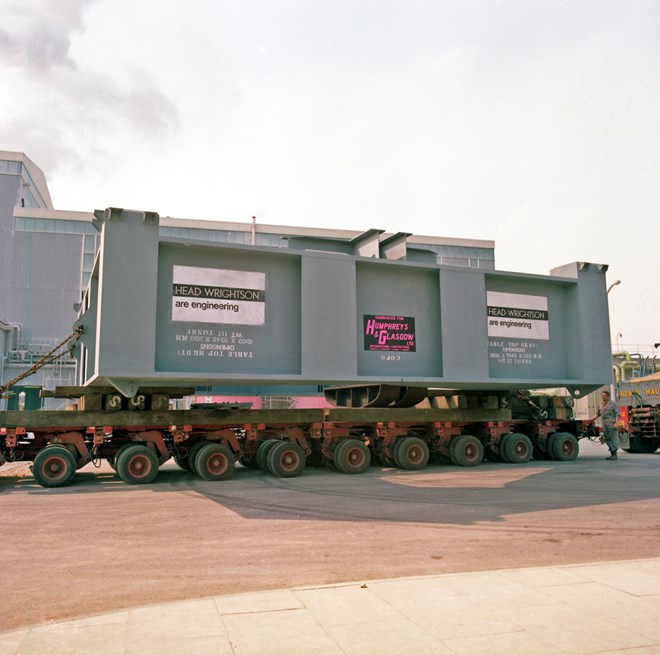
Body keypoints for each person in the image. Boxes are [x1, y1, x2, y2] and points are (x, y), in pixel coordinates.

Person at [596, 390, 620, 460]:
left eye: (604, 396)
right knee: (607, 438)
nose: (603, 397)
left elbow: (617, 414)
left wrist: (616, 423)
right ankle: (611, 453)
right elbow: (597, 414)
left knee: (613, 438)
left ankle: (614, 454)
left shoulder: (612, 404)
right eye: (602, 395)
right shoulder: (600, 404)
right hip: (604, 424)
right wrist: (591, 420)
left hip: (611, 424)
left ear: (608, 396)